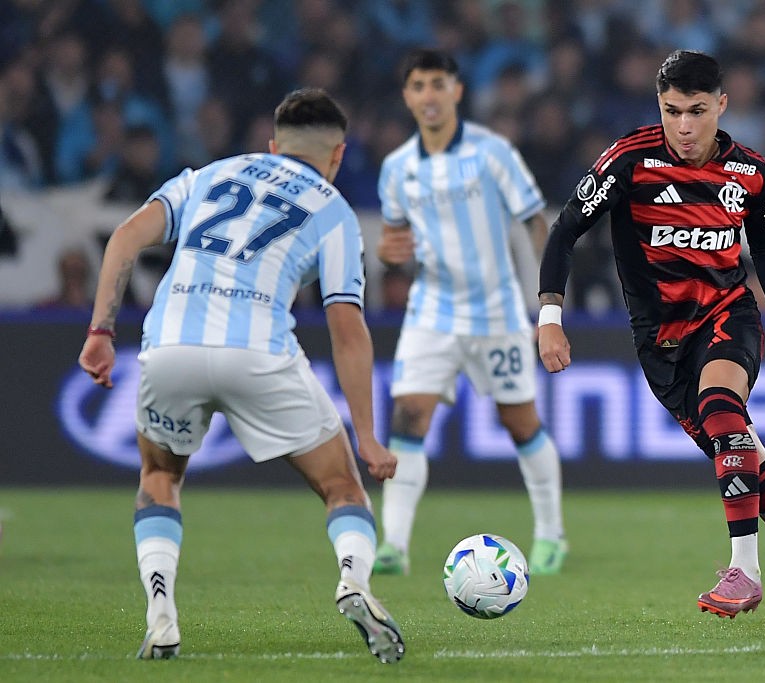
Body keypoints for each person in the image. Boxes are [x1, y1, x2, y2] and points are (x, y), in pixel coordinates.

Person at [537, 50, 765, 636]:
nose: (684, 126)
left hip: (729, 317)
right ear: (659, 106)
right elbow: (564, 230)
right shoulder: (628, 163)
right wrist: (550, 314)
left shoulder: (750, 173)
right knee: (764, 489)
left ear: (722, 105)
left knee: (723, 411)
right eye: (672, 111)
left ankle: (742, 571)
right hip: (661, 346)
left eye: (697, 111)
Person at [77, 88, 405, 663]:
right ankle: (355, 582)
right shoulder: (333, 210)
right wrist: (368, 434)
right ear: (338, 154)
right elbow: (347, 328)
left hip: (171, 346)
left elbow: (126, 235)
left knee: (159, 477)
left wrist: (101, 332)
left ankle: (161, 616)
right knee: (342, 486)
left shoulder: (209, 175)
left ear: (273, 145)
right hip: (257, 352)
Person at [374, 48, 567, 576]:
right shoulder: (397, 168)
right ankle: (393, 544)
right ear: (408, 96)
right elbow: (395, 243)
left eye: (438, 83)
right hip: (431, 312)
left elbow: (535, 221)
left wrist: (547, 301)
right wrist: (391, 255)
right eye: (418, 85)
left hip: (497, 313)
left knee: (519, 422)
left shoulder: (492, 153)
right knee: (408, 418)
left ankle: (552, 534)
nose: (429, 95)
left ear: (457, 91)